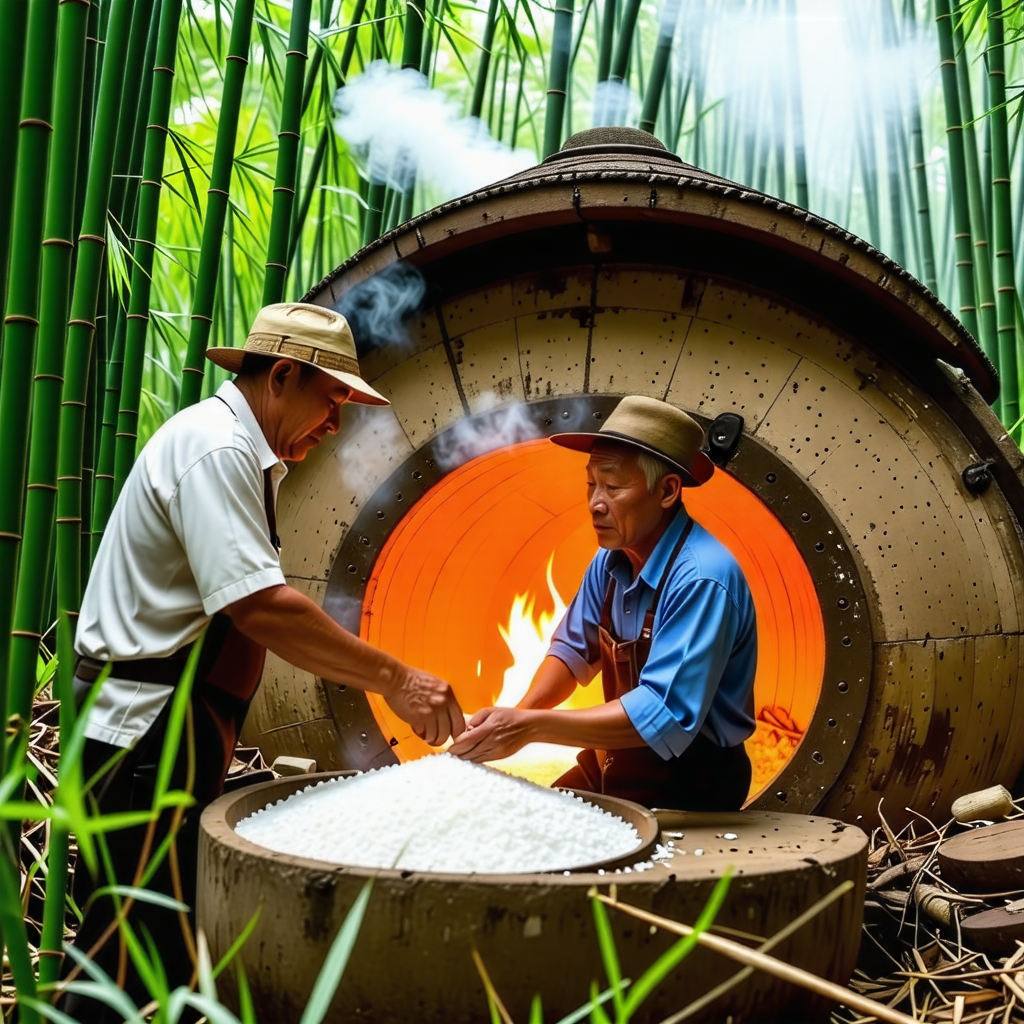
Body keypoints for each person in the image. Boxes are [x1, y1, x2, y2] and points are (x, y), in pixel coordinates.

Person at [62, 303, 465, 1018]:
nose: (337, 423)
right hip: (145, 729)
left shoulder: (247, 455)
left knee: (170, 946)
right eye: (332, 398)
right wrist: (396, 678)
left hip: (178, 725)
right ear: (282, 376)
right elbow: (262, 608)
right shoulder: (216, 451)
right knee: (121, 953)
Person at [450, 395, 756, 811]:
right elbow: (574, 649)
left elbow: (661, 712)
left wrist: (530, 728)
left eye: (612, 487)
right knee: (521, 822)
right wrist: (516, 714)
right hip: (611, 762)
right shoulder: (610, 560)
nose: (595, 503)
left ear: (666, 491)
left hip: (691, 784)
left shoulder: (703, 577)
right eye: (590, 484)